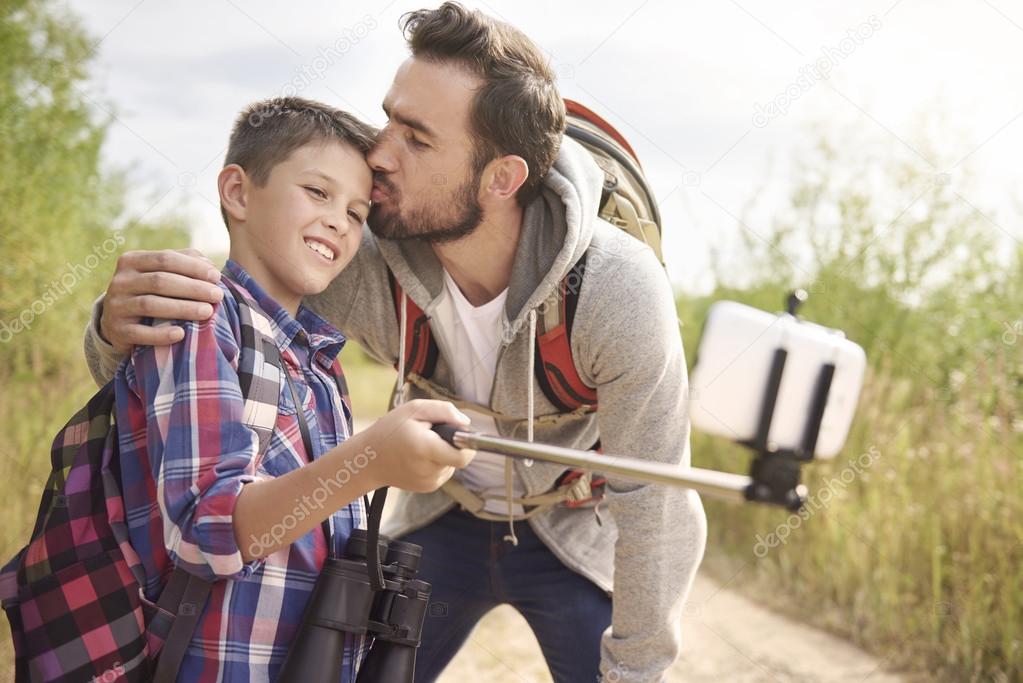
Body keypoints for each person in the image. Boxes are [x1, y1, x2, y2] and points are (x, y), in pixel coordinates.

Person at [84, 4, 707, 682]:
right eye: (389, 119)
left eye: (416, 137)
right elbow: (202, 336)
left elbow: (656, 503)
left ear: (500, 179)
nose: (377, 154)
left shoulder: (615, 290)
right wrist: (112, 327)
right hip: (442, 517)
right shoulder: (357, 252)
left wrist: (636, 670)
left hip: (570, 526)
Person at [109, 96, 475, 682]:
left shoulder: (320, 363)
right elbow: (208, 531)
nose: (339, 220)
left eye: (357, 213)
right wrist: (371, 460)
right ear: (237, 193)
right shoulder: (200, 320)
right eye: (318, 192)